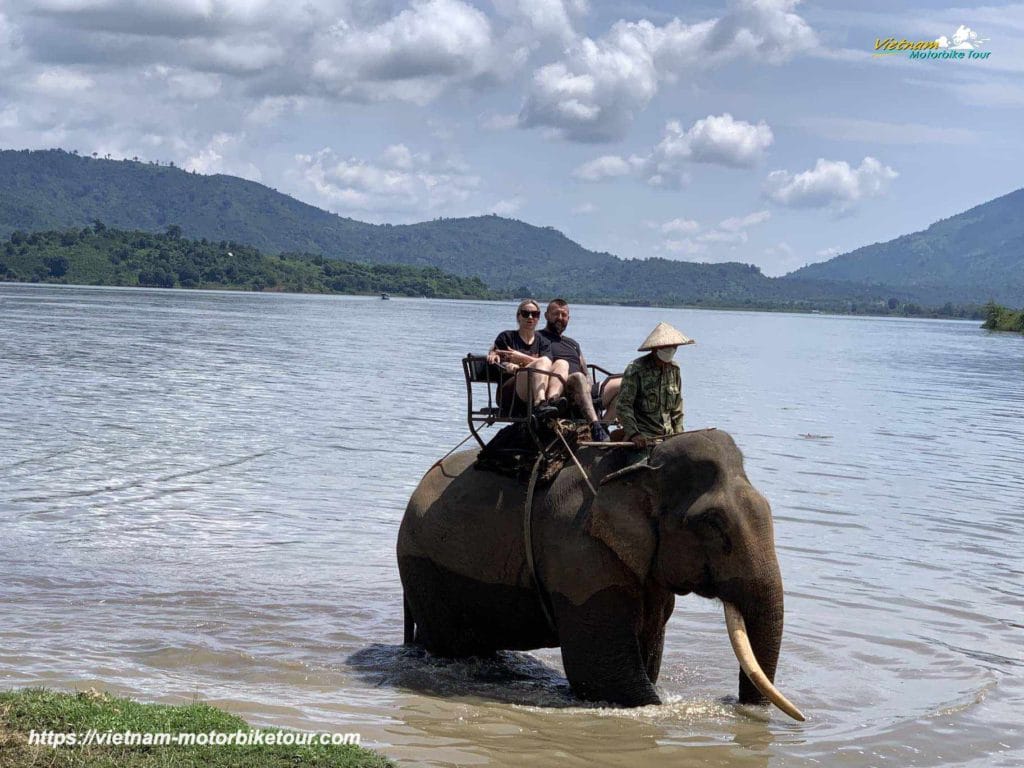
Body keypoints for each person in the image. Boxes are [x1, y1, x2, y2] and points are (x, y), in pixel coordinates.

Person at [537, 298, 616, 442]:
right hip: (561, 388)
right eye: (556, 314)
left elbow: (585, 371)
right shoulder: (538, 337)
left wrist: (591, 388)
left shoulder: (573, 343)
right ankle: (595, 426)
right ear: (547, 315)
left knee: (623, 383)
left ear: (568, 318)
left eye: (564, 315)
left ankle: (604, 426)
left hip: (583, 388)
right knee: (578, 377)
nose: (560, 318)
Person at [616, 322, 695, 448]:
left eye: (673, 347)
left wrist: (679, 435)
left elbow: (677, 409)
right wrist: (634, 434)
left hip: (669, 437)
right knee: (639, 466)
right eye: (665, 348)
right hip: (644, 437)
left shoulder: (674, 370)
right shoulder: (636, 369)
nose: (664, 363)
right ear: (654, 349)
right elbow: (623, 406)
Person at [486, 299, 557, 415]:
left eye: (535, 314)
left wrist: (521, 358)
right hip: (510, 394)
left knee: (562, 364)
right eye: (525, 313)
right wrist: (508, 365)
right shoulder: (506, 337)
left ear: (539, 318)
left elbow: (549, 364)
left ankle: (553, 401)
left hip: (534, 388)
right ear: (518, 316)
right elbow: (497, 360)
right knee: (543, 361)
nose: (530, 317)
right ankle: (539, 404)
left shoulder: (543, 341)